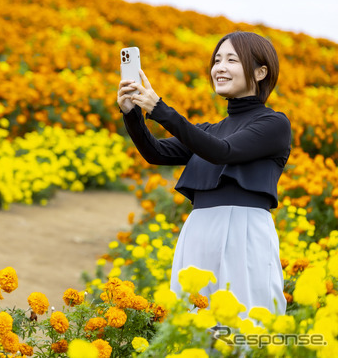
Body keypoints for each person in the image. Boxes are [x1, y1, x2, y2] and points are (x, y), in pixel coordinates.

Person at [116, 31, 290, 315]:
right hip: (199, 228)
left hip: (244, 229)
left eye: (232, 59)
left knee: (247, 319)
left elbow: (223, 152)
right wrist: (132, 113)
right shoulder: (209, 131)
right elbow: (155, 152)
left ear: (261, 72)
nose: (219, 67)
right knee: (193, 320)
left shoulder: (274, 124)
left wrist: (160, 109)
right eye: (217, 59)